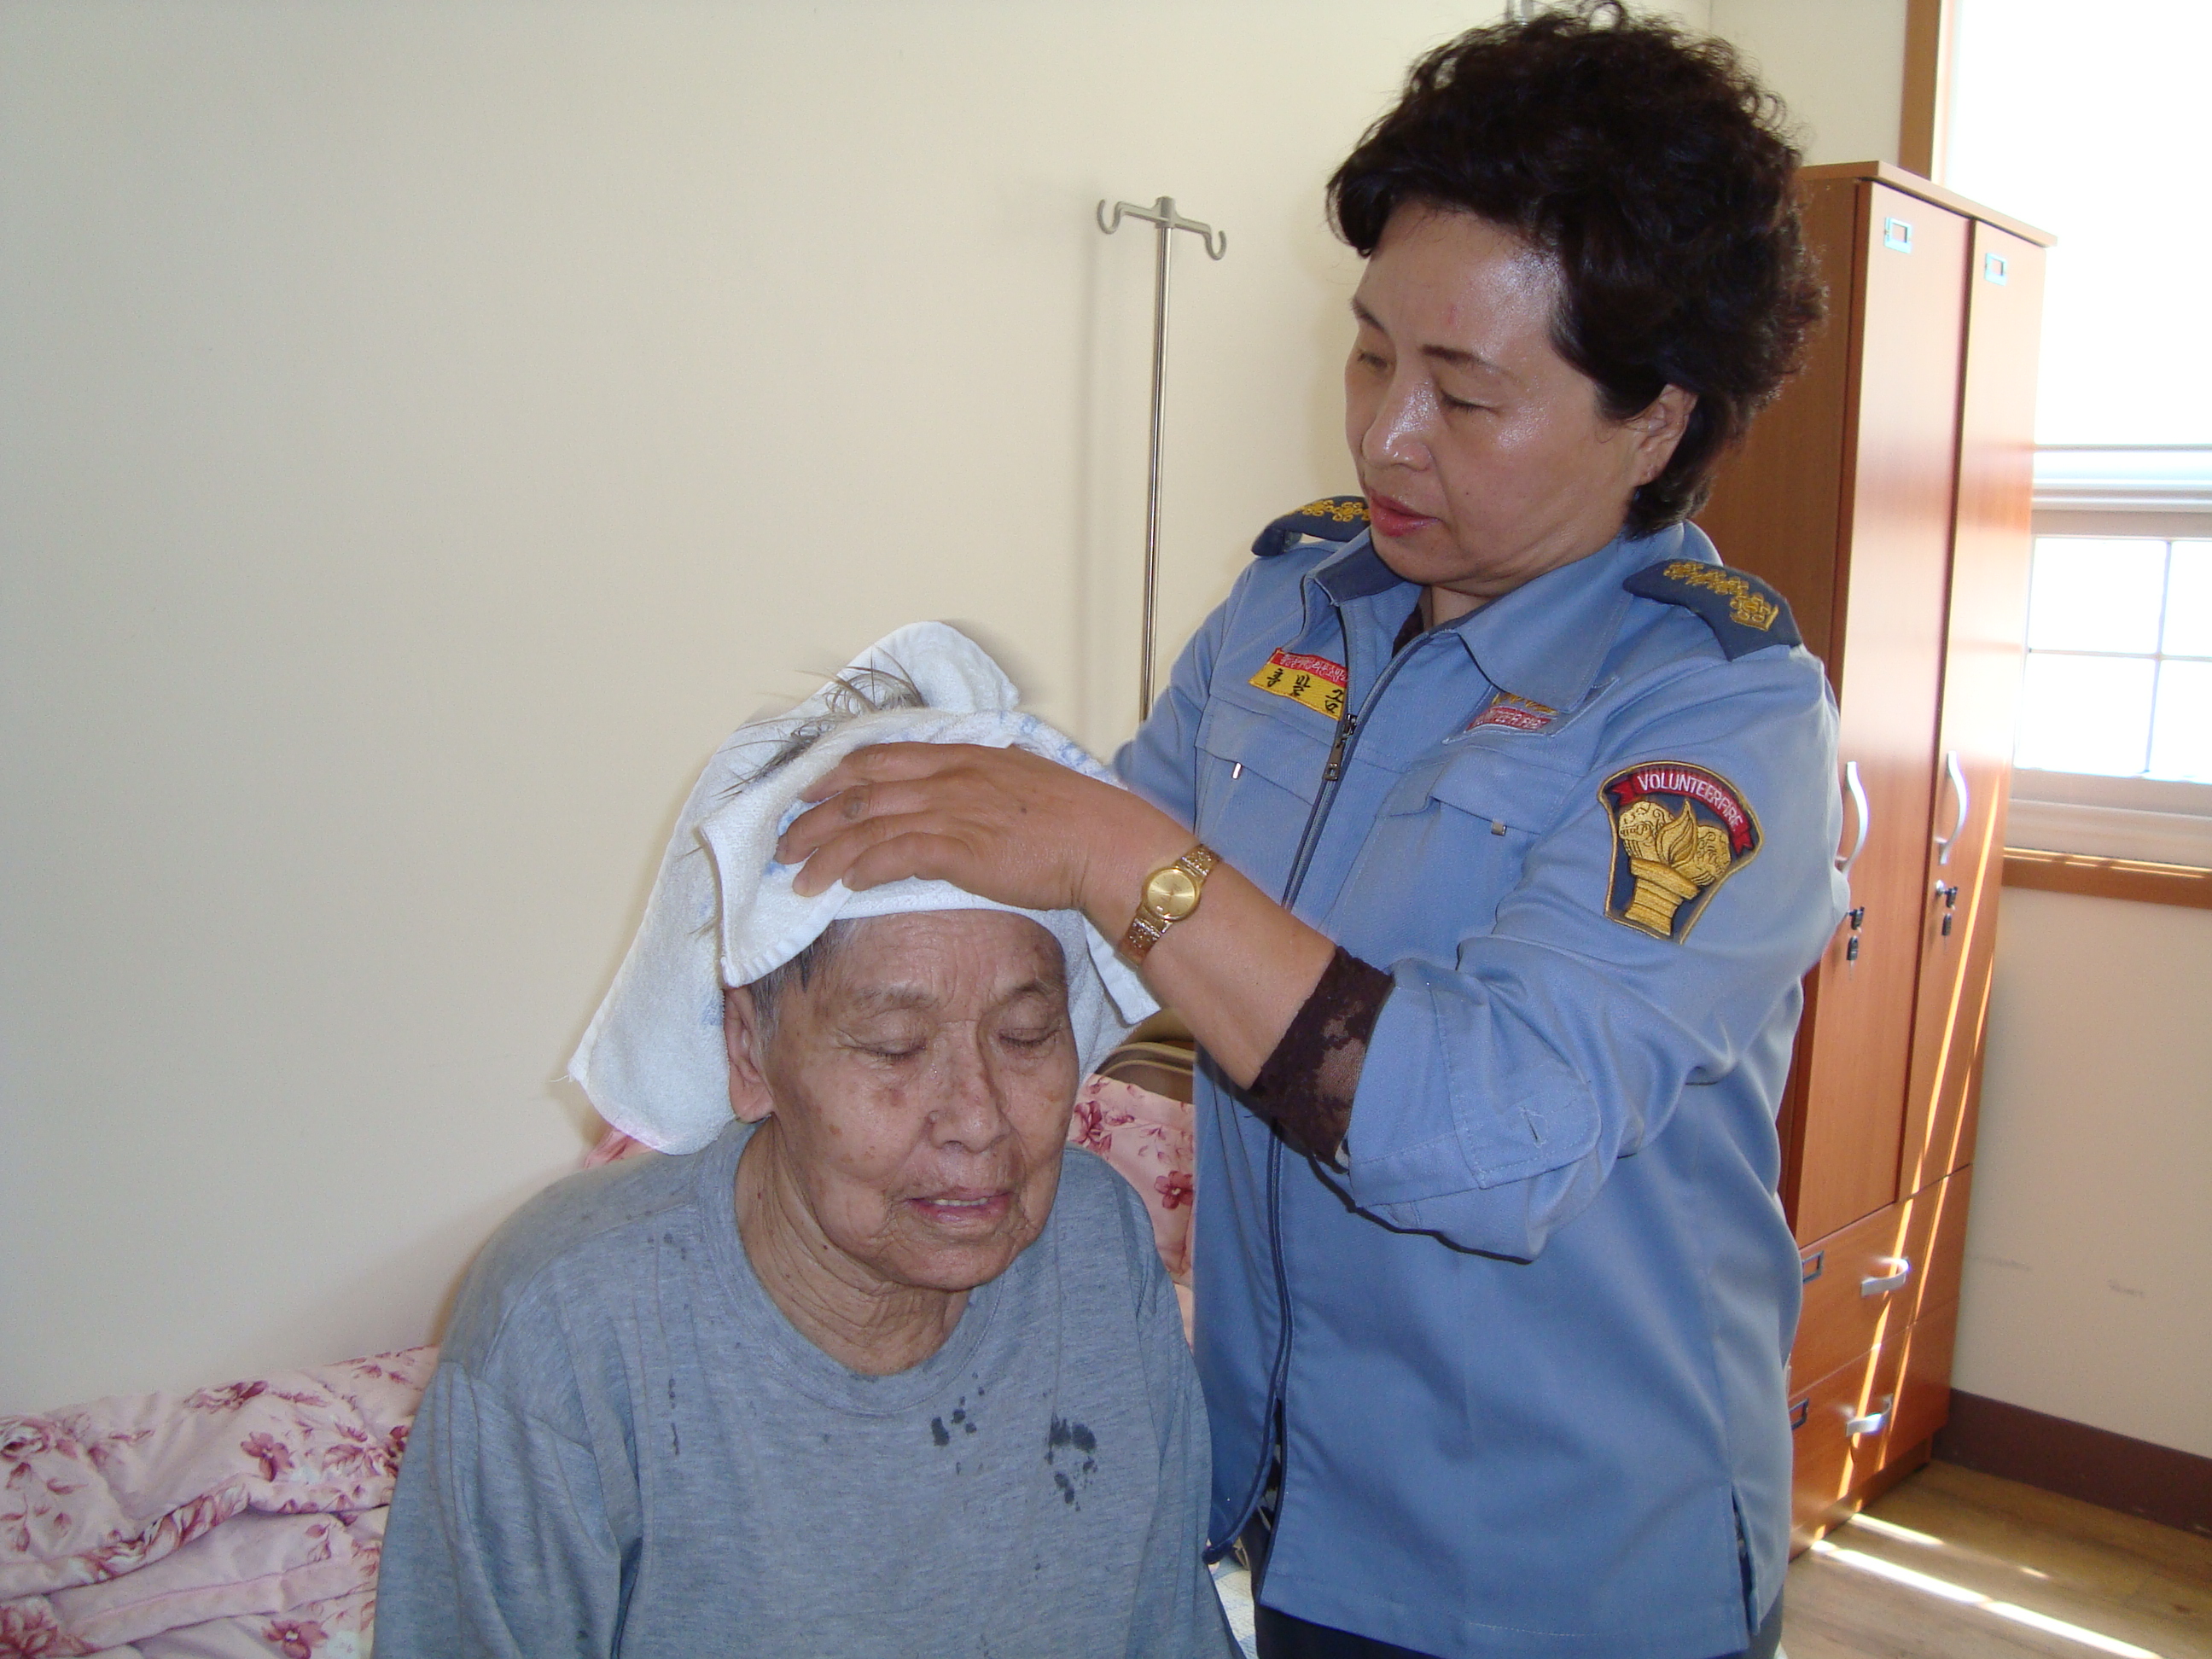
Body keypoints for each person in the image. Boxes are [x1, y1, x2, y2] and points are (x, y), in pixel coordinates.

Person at [776, 9, 1842, 1657]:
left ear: (1652, 421)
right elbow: (1076, 926)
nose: (1384, 433)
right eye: (1368, 354)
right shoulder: (1299, 603)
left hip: (1554, 1568)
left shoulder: (1711, 723)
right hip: (1295, 1504)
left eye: (1463, 394)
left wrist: (1114, 851)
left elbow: (1491, 1129)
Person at [376, 625, 1236, 1658]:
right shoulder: (571, 1327)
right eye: (893, 1047)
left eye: (1023, 1035)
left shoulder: (1097, 1249)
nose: (977, 1119)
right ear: (749, 1051)